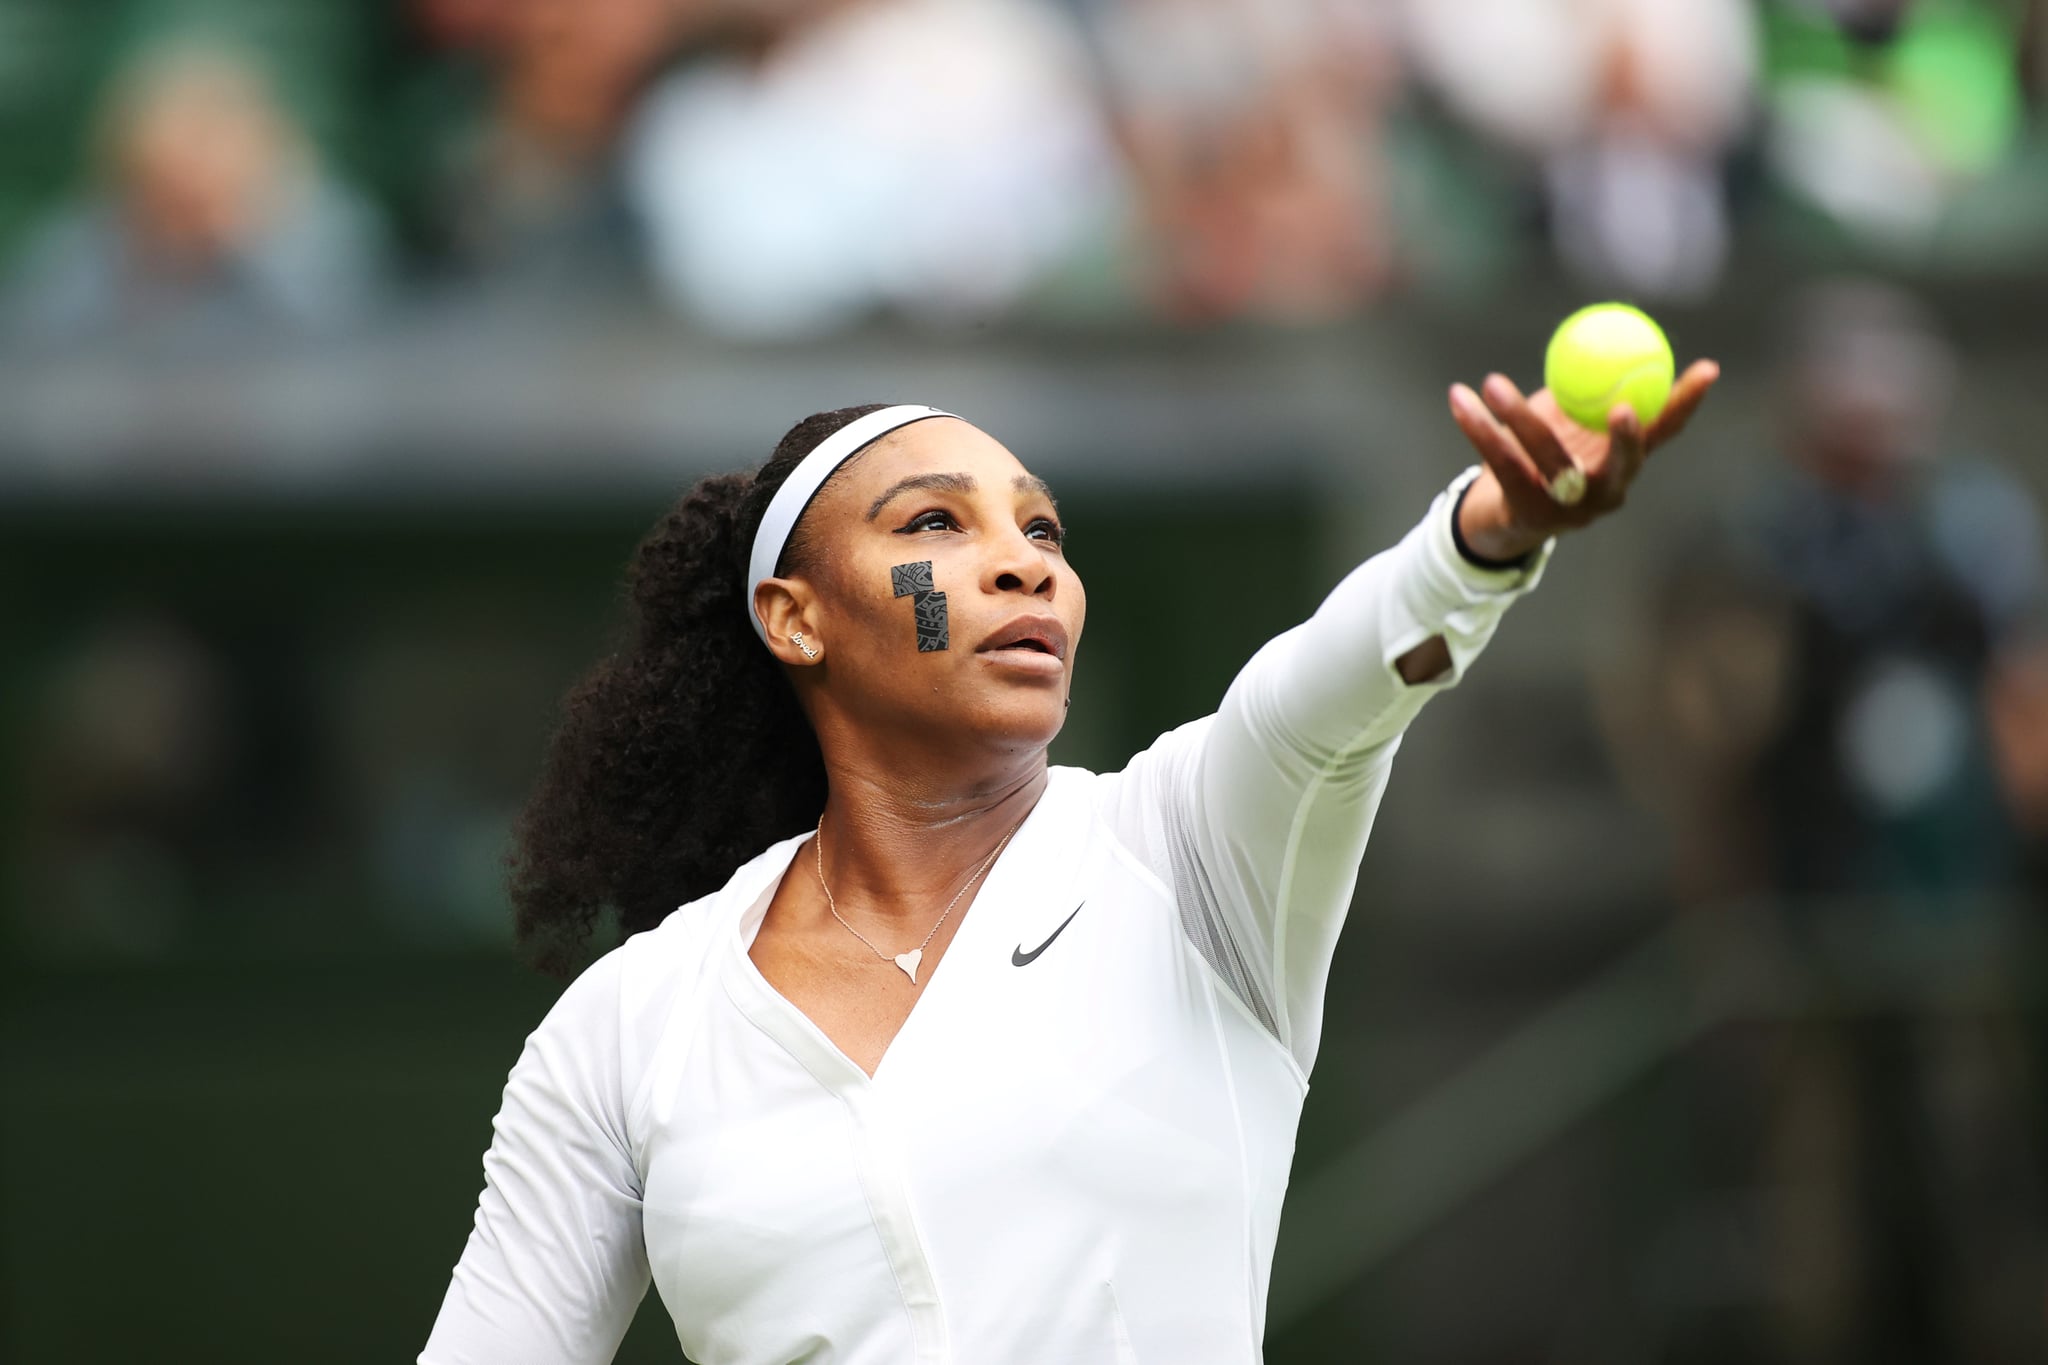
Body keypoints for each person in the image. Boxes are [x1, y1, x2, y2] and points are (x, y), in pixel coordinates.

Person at [419, 359, 1718, 1362]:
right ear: (795, 616)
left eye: (1044, 533)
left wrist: (1479, 542)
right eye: (936, 520)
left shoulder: (1185, 849)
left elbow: (1319, 693)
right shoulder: (627, 1026)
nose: (1020, 564)